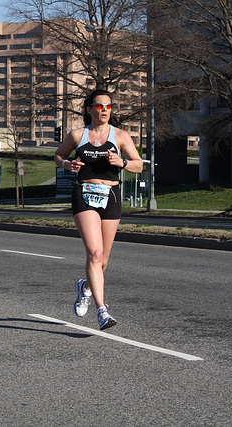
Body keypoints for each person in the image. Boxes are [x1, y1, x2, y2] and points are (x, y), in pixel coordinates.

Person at [54, 89, 143, 330]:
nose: (104, 111)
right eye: (100, 106)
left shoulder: (121, 136)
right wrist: (67, 164)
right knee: (94, 253)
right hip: (85, 194)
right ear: (89, 109)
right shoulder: (77, 135)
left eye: (109, 107)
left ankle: (85, 288)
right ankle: (102, 311)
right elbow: (59, 155)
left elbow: (138, 165)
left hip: (111, 195)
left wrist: (122, 162)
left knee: (103, 260)